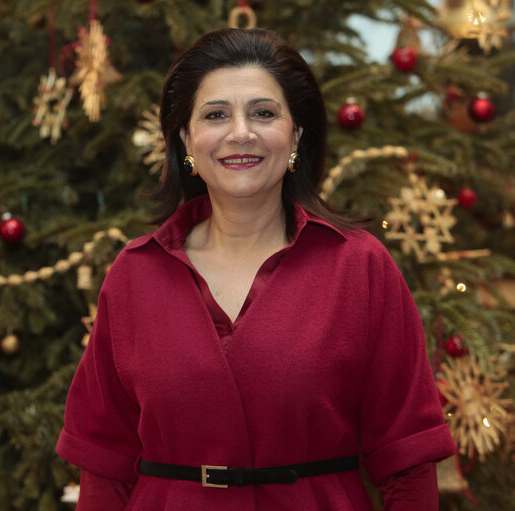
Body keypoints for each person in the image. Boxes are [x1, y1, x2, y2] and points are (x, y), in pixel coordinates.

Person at [56, 28, 456, 510]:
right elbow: (103, 468)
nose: (240, 132)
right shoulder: (134, 274)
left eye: (263, 113)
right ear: (186, 138)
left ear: (296, 135)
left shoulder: (360, 267)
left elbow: (408, 465)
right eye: (215, 114)